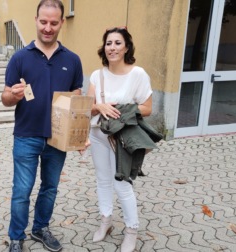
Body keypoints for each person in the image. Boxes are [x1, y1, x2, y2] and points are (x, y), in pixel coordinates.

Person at [1, 0, 83, 251]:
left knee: (50, 188)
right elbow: (5, 99)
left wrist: (80, 133)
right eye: (43, 21)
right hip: (26, 135)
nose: (48, 27)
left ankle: (40, 228)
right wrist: (13, 96)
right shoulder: (19, 58)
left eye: (53, 23)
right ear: (36, 20)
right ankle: (16, 237)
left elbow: (77, 98)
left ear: (61, 23)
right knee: (22, 190)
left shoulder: (73, 59)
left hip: (57, 139)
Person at [86, 27, 153, 252]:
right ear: (103, 48)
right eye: (108, 43)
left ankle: (131, 230)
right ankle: (106, 221)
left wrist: (123, 109)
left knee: (121, 183)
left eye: (117, 43)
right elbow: (88, 107)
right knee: (102, 179)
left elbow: (147, 108)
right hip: (97, 135)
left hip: (122, 137)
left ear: (126, 47)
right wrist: (99, 106)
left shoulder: (138, 74)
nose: (112, 48)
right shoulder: (98, 75)